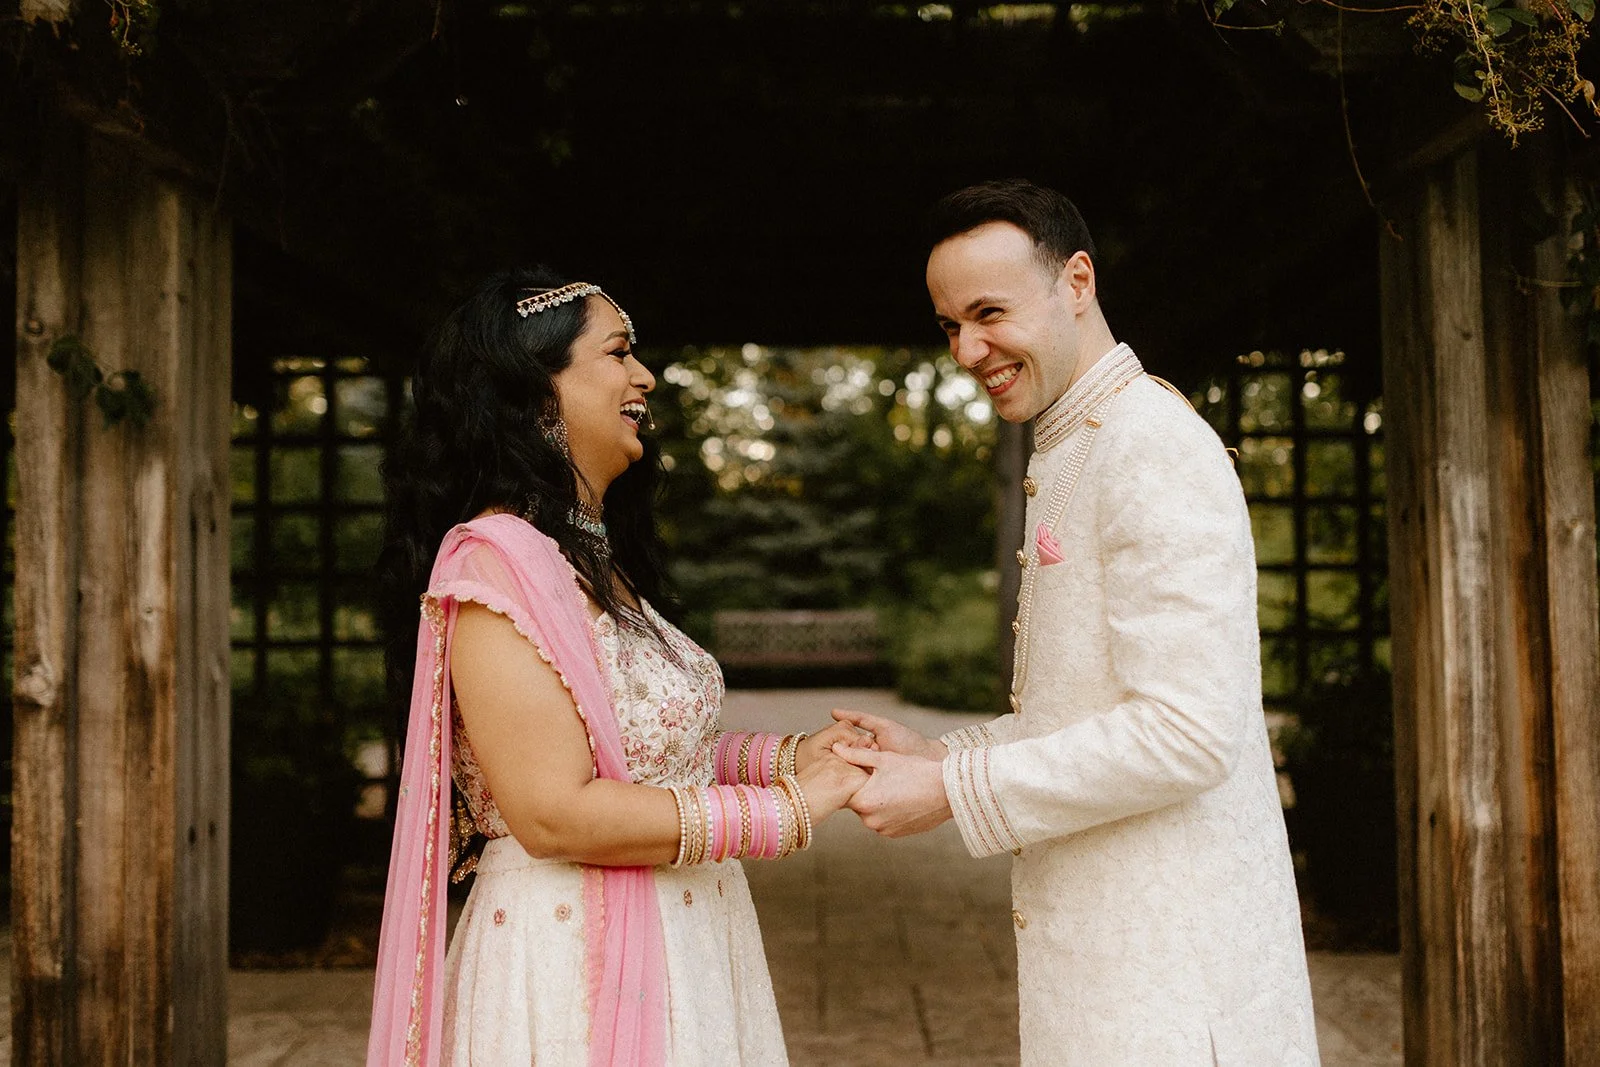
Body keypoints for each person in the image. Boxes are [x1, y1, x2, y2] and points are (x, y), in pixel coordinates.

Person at [831, 180, 1320, 1065]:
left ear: (1079, 281)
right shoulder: (1076, 438)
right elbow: (1087, 712)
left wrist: (951, 794)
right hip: (1115, 968)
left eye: (989, 312)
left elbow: (1188, 733)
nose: (969, 349)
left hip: (1174, 982)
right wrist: (943, 755)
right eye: (950, 325)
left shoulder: (1149, 444)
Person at [367, 268, 868, 1065]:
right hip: (568, 960)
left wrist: (788, 756)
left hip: (689, 938)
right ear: (537, 389)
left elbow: (646, 752)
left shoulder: (598, 562)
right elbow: (554, 810)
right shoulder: (494, 565)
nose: (645, 376)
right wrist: (786, 813)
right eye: (618, 353)